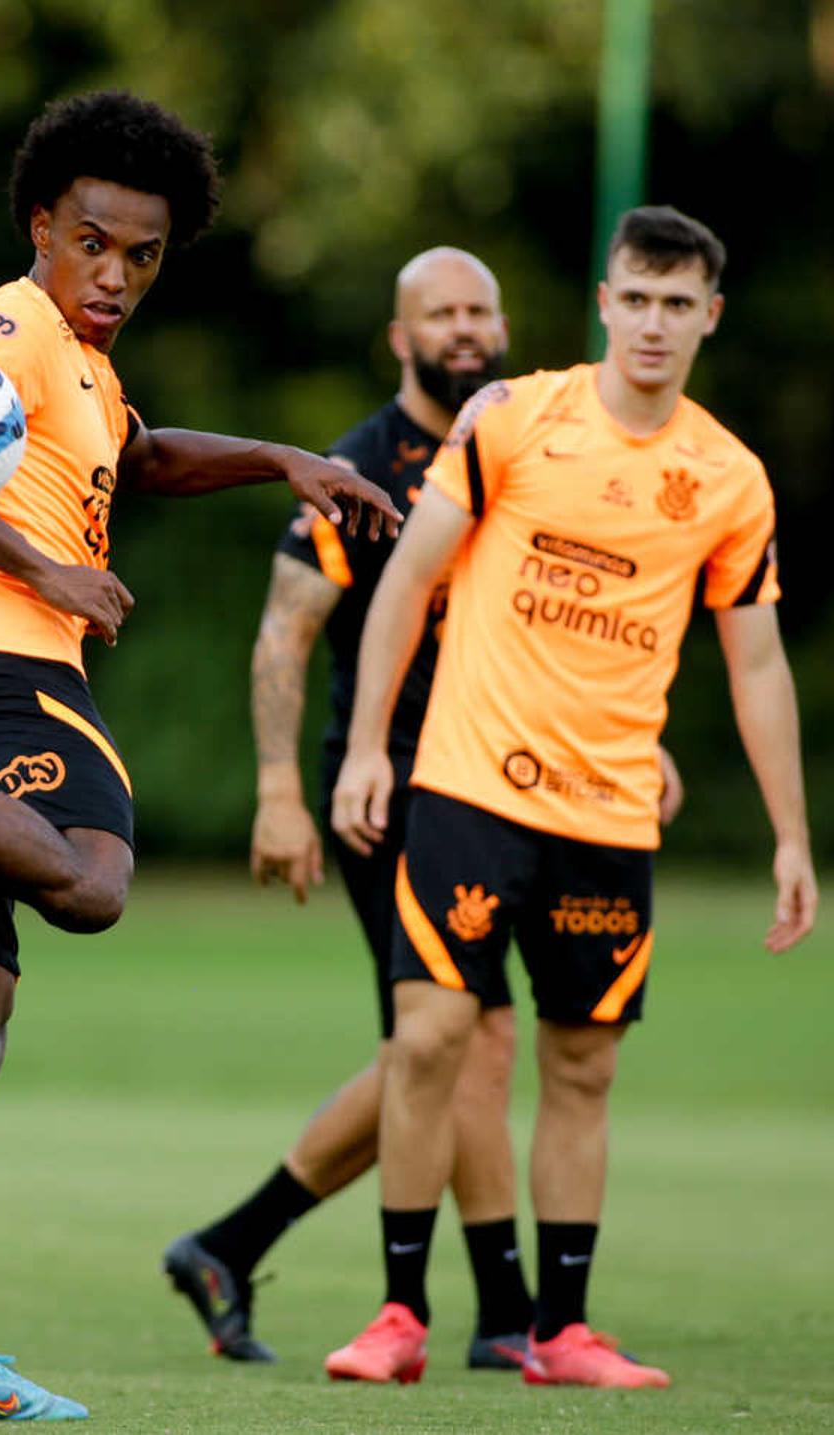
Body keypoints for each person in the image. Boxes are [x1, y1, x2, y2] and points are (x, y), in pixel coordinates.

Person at [0, 91, 400, 1421]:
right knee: (100, 881)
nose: (114, 275)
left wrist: (284, 457)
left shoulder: (87, 374)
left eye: (143, 255)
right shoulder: (11, 326)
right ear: (43, 227)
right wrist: (49, 564)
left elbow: (145, 456)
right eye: (93, 242)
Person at [163, 249, 689, 1377]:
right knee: (467, 1040)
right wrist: (275, 794)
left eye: (480, 309)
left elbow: (584, 615)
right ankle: (502, 1313)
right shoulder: (365, 465)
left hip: (530, 775)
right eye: (439, 314)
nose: (464, 328)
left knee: (437, 1047)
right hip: (395, 786)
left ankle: (230, 1245)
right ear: (399, 338)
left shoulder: (530, 436)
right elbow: (284, 632)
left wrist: (638, 739)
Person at [327, 205, 818, 1390]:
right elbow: (406, 577)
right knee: (433, 1033)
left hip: (608, 813)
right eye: (634, 298)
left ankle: (561, 1330)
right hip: (466, 785)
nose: (653, 323)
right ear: (604, 303)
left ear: (710, 316)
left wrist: (792, 834)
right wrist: (362, 752)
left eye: (677, 303)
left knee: (583, 1065)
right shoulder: (517, 420)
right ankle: (398, 1314)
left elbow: (756, 662)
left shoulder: (727, 477)